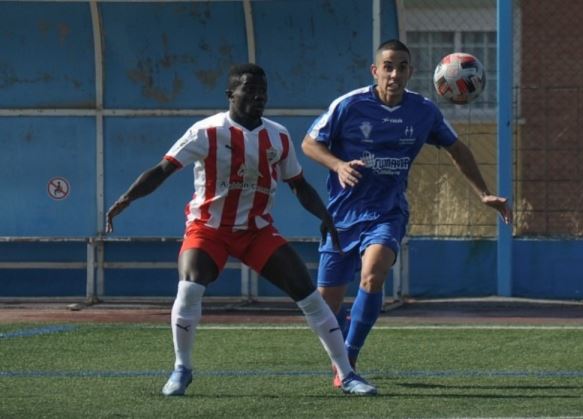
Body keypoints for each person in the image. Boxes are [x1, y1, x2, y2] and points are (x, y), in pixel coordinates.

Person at [105, 63, 377, 396]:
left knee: (308, 295)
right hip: (209, 228)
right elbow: (163, 169)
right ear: (230, 94)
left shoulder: (277, 135)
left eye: (262, 91)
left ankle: (347, 375)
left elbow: (299, 184)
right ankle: (182, 368)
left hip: (256, 230)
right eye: (249, 89)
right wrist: (126, 199)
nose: (258, 96)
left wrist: (325, 216)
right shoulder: (206, 132)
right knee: (190, 286)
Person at [301, 39, 513, 388]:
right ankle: (340, 351)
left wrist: (485, 193)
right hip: (341, 215)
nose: (394, 74)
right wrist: (338, 165)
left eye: (401, 67)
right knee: (325, 306)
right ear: (375, 71)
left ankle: (348, 360)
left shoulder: (423, 111)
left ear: (411, 72)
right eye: (388, 66)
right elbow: (310, 143)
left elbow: (457, 150)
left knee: (373, 273)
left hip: (387, 211)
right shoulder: (350, 105)